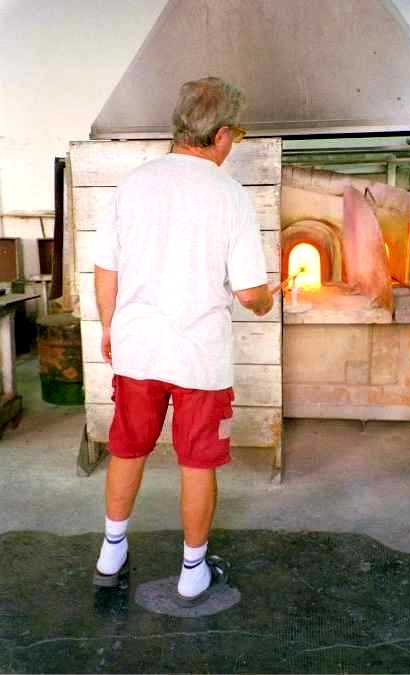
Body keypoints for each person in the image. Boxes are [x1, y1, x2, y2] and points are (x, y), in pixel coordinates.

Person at [92, 76, 274, 603]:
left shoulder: (133, 184)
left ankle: (111, 552)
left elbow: (106, 269)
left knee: (128, 447)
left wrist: (109, 327)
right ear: (219, 135)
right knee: (196, 462)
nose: (233, 143)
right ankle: (193, 572)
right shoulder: (229, 195)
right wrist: (268, 299)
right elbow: (250, 293)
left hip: (138, 349)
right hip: (200, 358)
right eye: (235, 134)